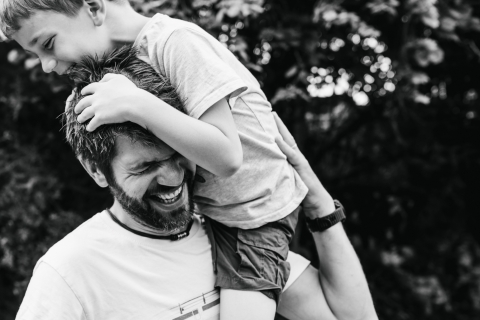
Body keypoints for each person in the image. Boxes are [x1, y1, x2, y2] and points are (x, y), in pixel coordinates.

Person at [15, 46, 377, 320]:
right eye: (145, 167)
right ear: (95, 170)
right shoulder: (69, 273)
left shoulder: (226, 232)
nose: (174, 178)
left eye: (178, 154)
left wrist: (319, 206)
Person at [1, 1, 310, 318]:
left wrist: (137, 104)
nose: (46, 66)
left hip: (255, 216)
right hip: (224, 216)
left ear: (94, 8)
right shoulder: (131, 60)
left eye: (48, 44)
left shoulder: (175, 42)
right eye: (34, 55)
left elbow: (228, 158)